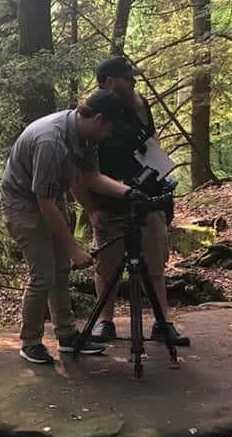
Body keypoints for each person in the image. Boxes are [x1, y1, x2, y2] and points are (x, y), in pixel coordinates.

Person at [1, 89, 143, 364]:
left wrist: (127, 192)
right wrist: (74, 249)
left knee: (60, 270)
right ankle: (30, 342)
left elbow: (90, 177)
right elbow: (43, 201)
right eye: (111, 127)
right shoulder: (51, 141)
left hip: (47, 199)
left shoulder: (84, 137)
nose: (111, 134)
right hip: (23, 205)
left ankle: (66, 335)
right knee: (43, 274)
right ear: (99, 119)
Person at [78, 56, 190, 347]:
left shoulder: (139, 105)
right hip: (109, 202)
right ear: (111, 81)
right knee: (107, 265)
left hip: (148, 196)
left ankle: (163, 322)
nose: (135, 81)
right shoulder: (95, 112)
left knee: (154, 261)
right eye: (129, 78)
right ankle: (106, 322)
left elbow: (150, 138)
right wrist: (91, 209)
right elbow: (81, 170)